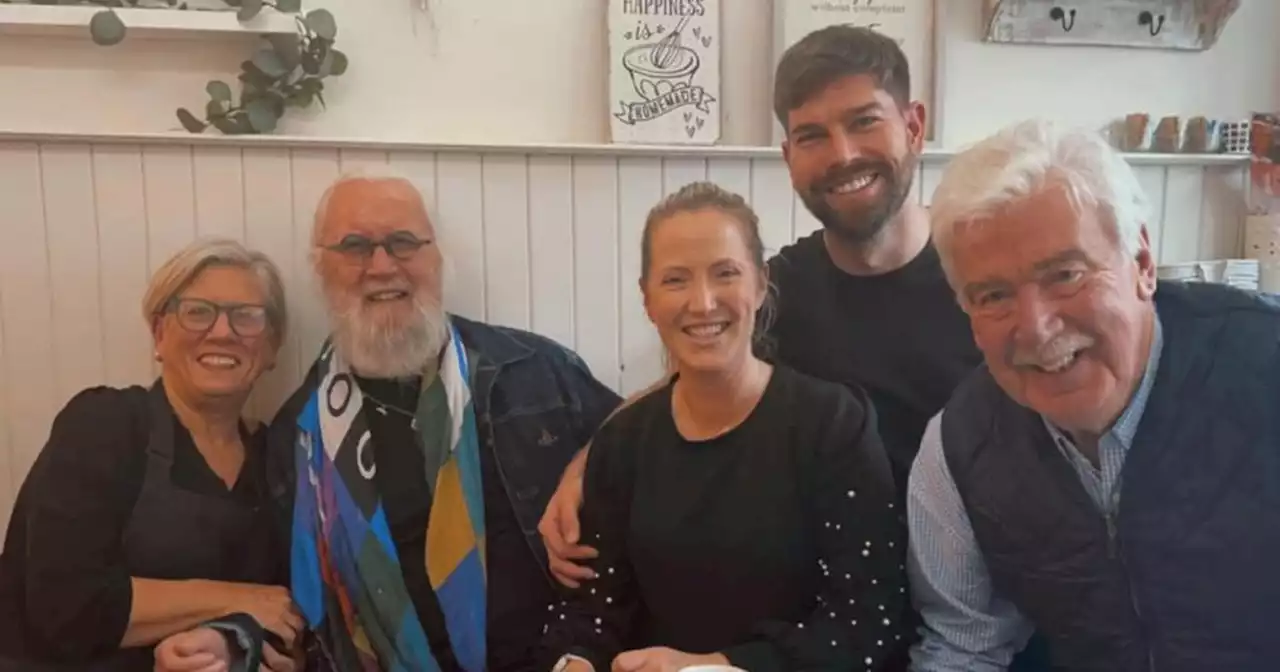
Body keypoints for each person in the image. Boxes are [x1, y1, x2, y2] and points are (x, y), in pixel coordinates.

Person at [907, 118, 1280, 671]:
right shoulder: (959, 446)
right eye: (993, 295)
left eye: (1065, 274)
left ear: (1143, 264)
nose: (1035, 328)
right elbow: (966, 648)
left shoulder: (1264, 370)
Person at [538, 182, 911, 672]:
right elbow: (593, 609)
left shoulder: (833, 425)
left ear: (759, 285)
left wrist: (711, 666)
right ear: (647, 300)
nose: (703, 302)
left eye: (725, 274)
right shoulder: (623, 441)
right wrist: (575, 662)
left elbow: (867, 623)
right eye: (675, 280)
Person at [261, 168, 622, 672]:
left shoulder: (535, 372)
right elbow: (287, 606)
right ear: (320, 269)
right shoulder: (298, 437)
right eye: (355, 246)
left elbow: (642, 443)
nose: (382, 265)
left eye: (404, 242)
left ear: (437, 258)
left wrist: (581, 653)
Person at [0, 238, 300, 671]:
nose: (222, 332)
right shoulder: (106, 423)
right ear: (160, 333)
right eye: (198, 312)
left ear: (272, 347)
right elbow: (64, 605)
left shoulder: (279, 457)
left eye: (247, 317)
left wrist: (228, 640)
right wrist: (240, 599)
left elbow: (286, 613)